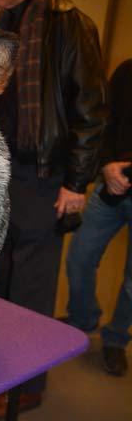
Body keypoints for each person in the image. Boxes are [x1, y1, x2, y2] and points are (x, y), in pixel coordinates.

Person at [0, 0, 108, 419]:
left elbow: (91, 110)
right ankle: (0, 367)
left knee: (30, 283)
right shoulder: (6, 26)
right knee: (0, 274)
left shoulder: (68, 25)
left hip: (44, 176)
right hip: (3, 172)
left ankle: (25, 386)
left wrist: (76, 182)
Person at [65, 59, 132, 377]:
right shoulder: (127, 70)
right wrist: (106, 165)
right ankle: (83, 319)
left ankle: (116, 340)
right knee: (79, 258)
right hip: (111, 187)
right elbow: (106, 121)